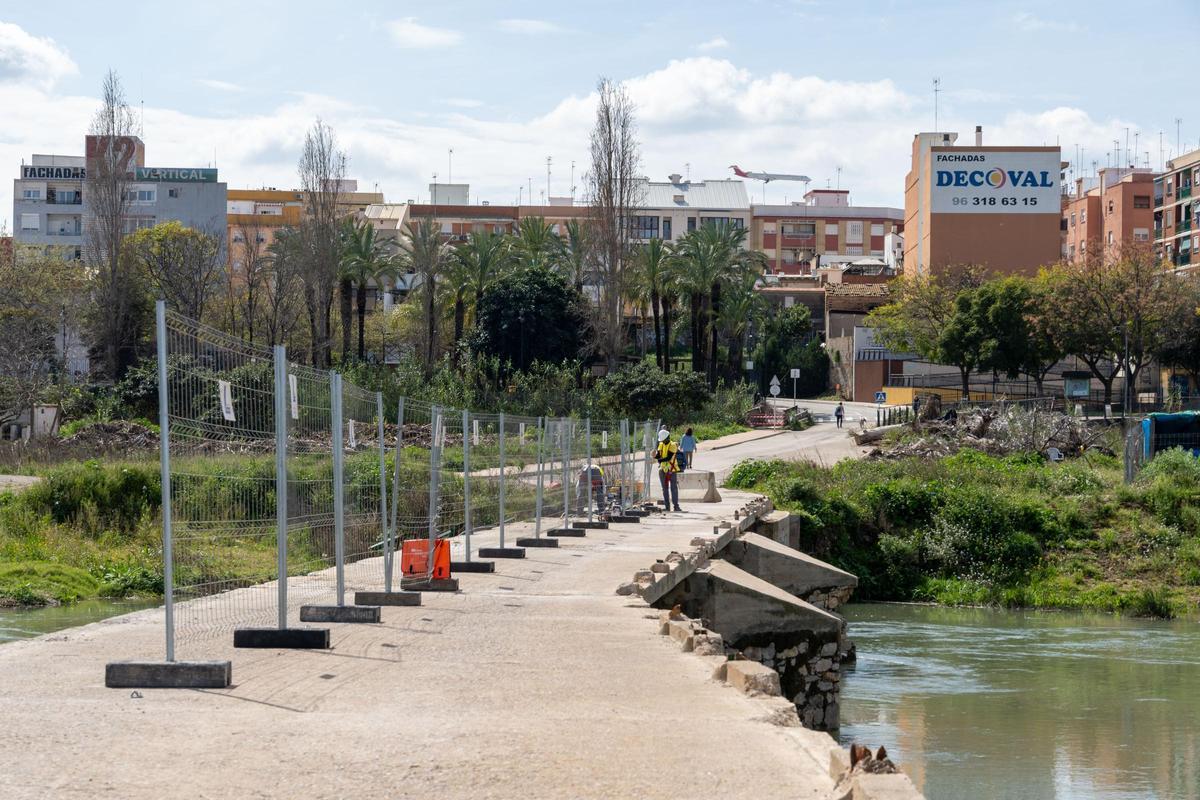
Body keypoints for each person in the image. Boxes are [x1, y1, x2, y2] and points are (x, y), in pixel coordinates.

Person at [655, 428, 681, 512]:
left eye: (664, 440)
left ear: (667, 438)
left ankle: (676, 506)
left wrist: (659, 460)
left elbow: (669, 457)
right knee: (665, 488)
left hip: (671, 470)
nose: (663, 441)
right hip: (662, 469)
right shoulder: (661, 444)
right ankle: (667, 507)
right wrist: (654, 456)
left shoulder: (673, 445)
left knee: (673, 488)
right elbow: (659, 455)